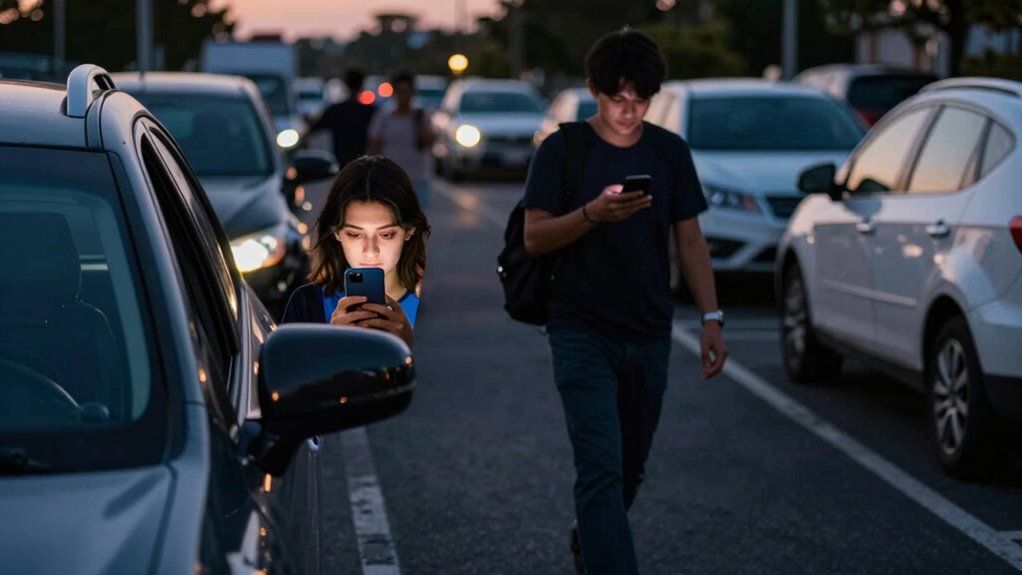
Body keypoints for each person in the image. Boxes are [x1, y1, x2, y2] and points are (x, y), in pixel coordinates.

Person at [521, 27, 728, 574]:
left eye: (641, 100)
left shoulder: (668, 152)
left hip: (649, 331)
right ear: (594, 89)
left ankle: (591, 534)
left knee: (630, 467)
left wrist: (711, 318)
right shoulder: (562, 151)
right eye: (619, 98)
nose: (629, 111)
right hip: (579, 329)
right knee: (601, 467)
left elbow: (689, 239)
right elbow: (534, 236)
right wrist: (592, 214)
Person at [281, 155, 429, 349]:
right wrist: (328, 345)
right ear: (336, 233)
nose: (370, 251)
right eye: (355, 234)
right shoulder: (307, 305)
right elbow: (286, 375)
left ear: (409, 231)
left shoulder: (434, 312)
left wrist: (406, 351)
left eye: (386, 235)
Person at [368, 70, 436, 208]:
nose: (403, 96)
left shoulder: (421, 116)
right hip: (391, 180)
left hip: (418, 179)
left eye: (406, 91)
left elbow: (429, 141)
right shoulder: (384, 117)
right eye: (400, 91)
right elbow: (374, 145)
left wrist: (419, 125)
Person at [304, 68, 377, 167]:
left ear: (346, 84)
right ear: (362, 85)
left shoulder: (336, 110)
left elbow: (313, 128)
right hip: (364, 164)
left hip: (342, 164)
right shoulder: (370, 111)